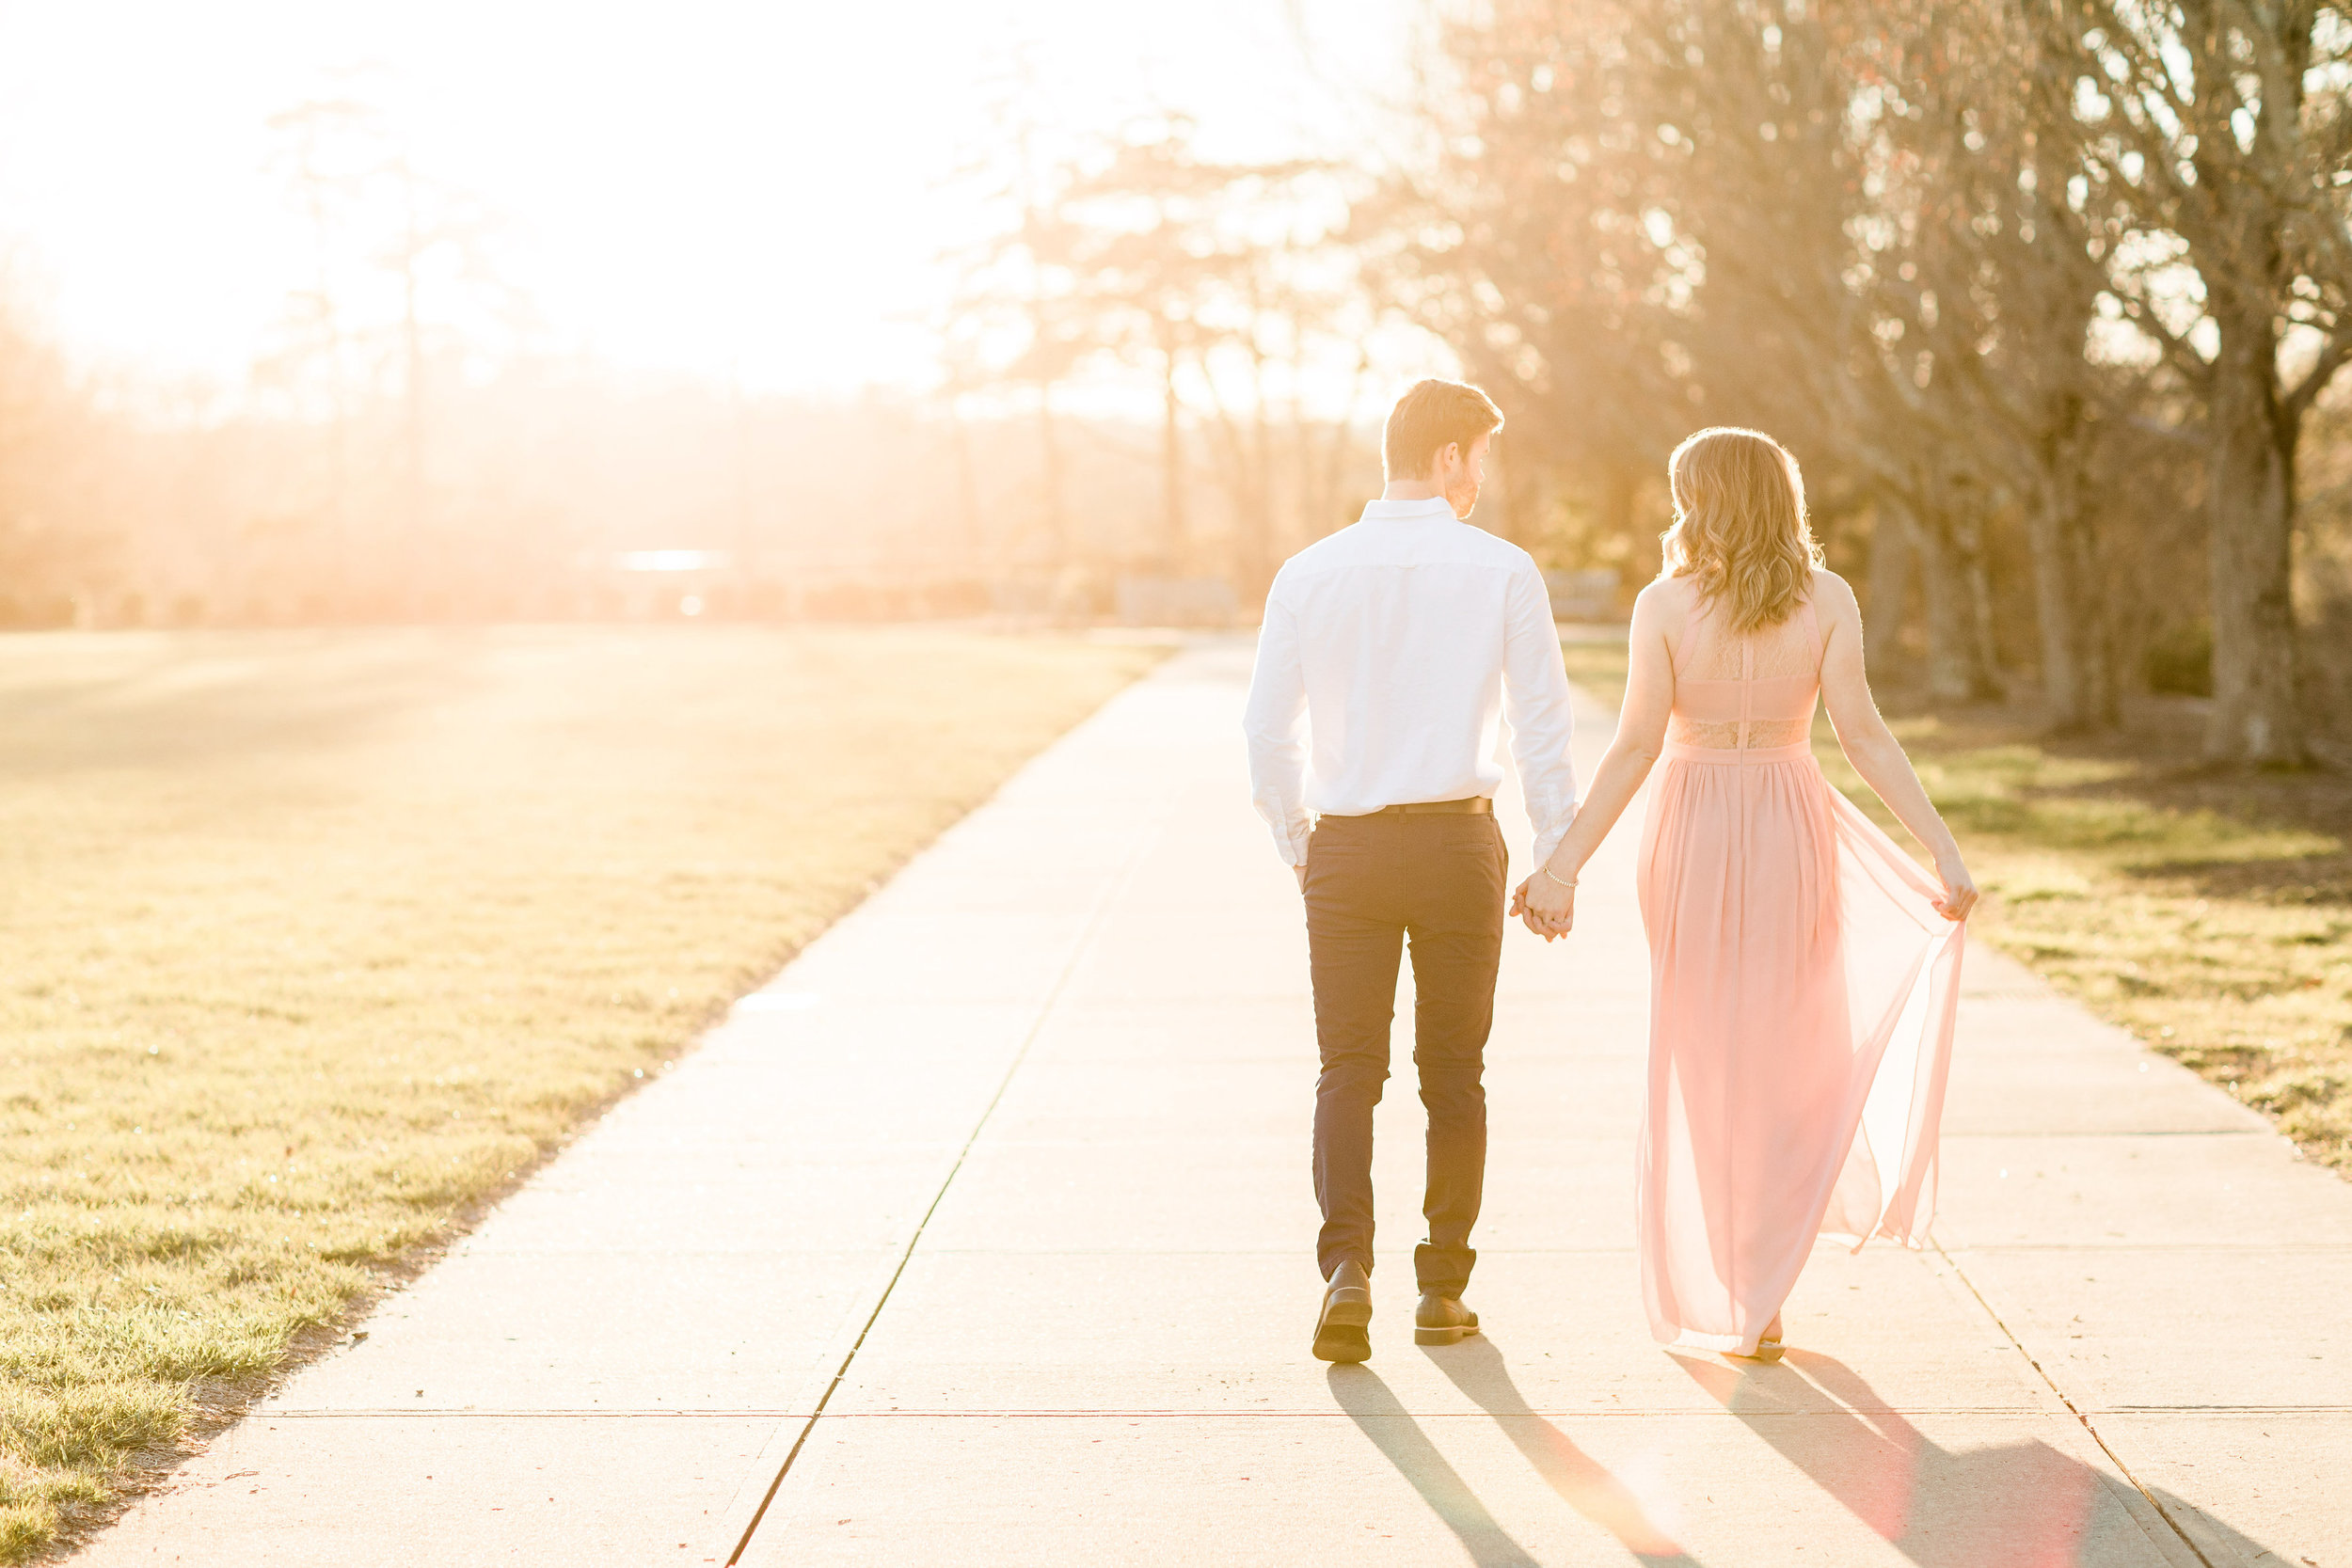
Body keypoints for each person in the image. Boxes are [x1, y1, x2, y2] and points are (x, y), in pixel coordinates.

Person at [1515, 426, 1978, 1361]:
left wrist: (1565, 862)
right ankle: (1762, 1285)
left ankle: (1736, 1269)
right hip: (1787, 824)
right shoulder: (1828, 598)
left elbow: (1636, 744)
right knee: (1786, 1051)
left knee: (1704, 1053)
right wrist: (1940, 847)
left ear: (1703, 498)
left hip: (1690, 827)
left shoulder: (1663, 603)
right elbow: (1864, 736)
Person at [1244, 377, 1577, 1364]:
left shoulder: (1307, 571)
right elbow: (1540, 731)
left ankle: (1346, 1273)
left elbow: (1267, 729)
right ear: (1446, 457)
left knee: (1348, 1069)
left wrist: (1300, 844)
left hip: (1346, 846)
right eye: (1478, 456)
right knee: (1454, 1074)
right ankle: (1442, 1289)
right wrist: (1556, 857)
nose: (1480, 479)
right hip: (1455, 843)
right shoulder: (1502, 570)